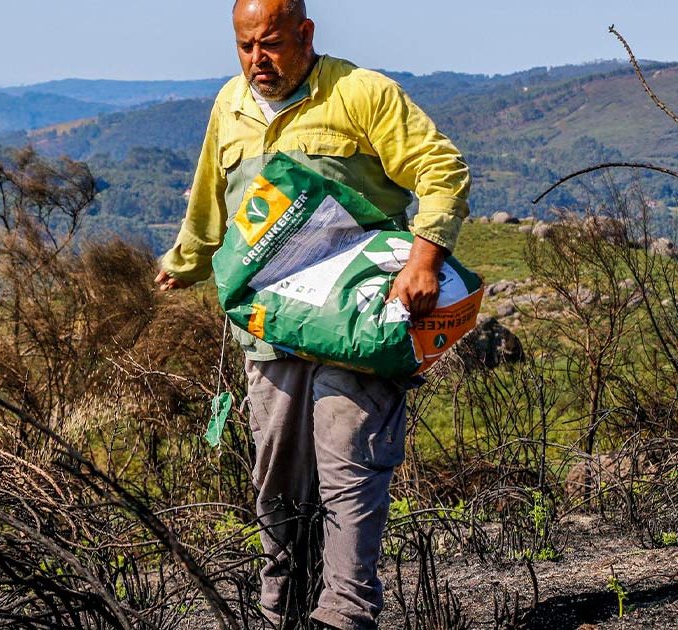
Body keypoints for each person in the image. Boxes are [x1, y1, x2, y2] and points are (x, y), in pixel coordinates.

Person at [154, 0, 470, 628]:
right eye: (244, 46)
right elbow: (212, 203)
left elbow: (442, 171)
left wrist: (424, 262)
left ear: (305, 34)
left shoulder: (361, 93)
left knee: (348, 468)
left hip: (356, 323)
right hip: (270, 329)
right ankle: (283, 614)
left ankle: (344, 616)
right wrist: (184, 262)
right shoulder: (230, 104)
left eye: (269, 44)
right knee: (277, 482)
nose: (255, 61)